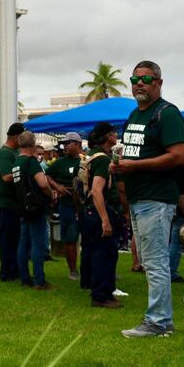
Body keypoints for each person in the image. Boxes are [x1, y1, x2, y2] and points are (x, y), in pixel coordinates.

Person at [113, 60, 184, 338]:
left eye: (146, 79)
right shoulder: (134, 115)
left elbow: (178, 156)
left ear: (159, 82)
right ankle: (160, 320)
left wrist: (134, 166)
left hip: (157, 198)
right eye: (135, 79)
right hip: (138, 197)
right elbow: (133, 155)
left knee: (155, 262)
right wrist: (120, 166)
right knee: (148, 260)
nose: (139, 83)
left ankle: (158, 322)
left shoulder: (166, 114)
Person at [81, 122, 124, 308]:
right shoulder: (101, 160)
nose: (116, 135)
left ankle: (104, 291)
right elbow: (97, 190)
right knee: (104, 253)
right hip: (102, 210)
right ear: (108, 137)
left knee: (100, 252)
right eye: (114, 133)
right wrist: (105, 220)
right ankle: (101, 295)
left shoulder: (90, 156)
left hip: (90, 210)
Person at [13, 131, 55, 290]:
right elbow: (43, 184)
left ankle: (24, 277)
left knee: (23, 243)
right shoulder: (31, 162)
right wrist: (51, 195)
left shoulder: (16, 162)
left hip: (23, 206)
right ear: (33, 144)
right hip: (35, 207)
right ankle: (39, 280)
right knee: (38, 244)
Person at [46, 132, 83, 281]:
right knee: (70, 238)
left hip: (85, 205)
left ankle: (91, 268)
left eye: (69, 143)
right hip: (67, 205)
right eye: (64, 143)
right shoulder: (60, 162)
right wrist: (58, 187)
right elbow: (47, 176)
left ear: (78, 145)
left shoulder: (85, 161)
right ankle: (73, 270)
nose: (65, 146)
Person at [0, 122, 25, 281]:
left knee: (14, 239)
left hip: (12, 203)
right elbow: (6, 177)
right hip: (4, 203)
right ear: (16, 137)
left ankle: (14, 270)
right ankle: (7, 272)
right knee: (7, 240)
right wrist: (25, 174)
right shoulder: (5, 154)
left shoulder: (14, 152)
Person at [168, 196, 184, 282]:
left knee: (175, 243)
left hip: (177, 213)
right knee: (177, 243)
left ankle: (171, 271)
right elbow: (181, 197)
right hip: (182, 214)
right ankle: (171, 272)